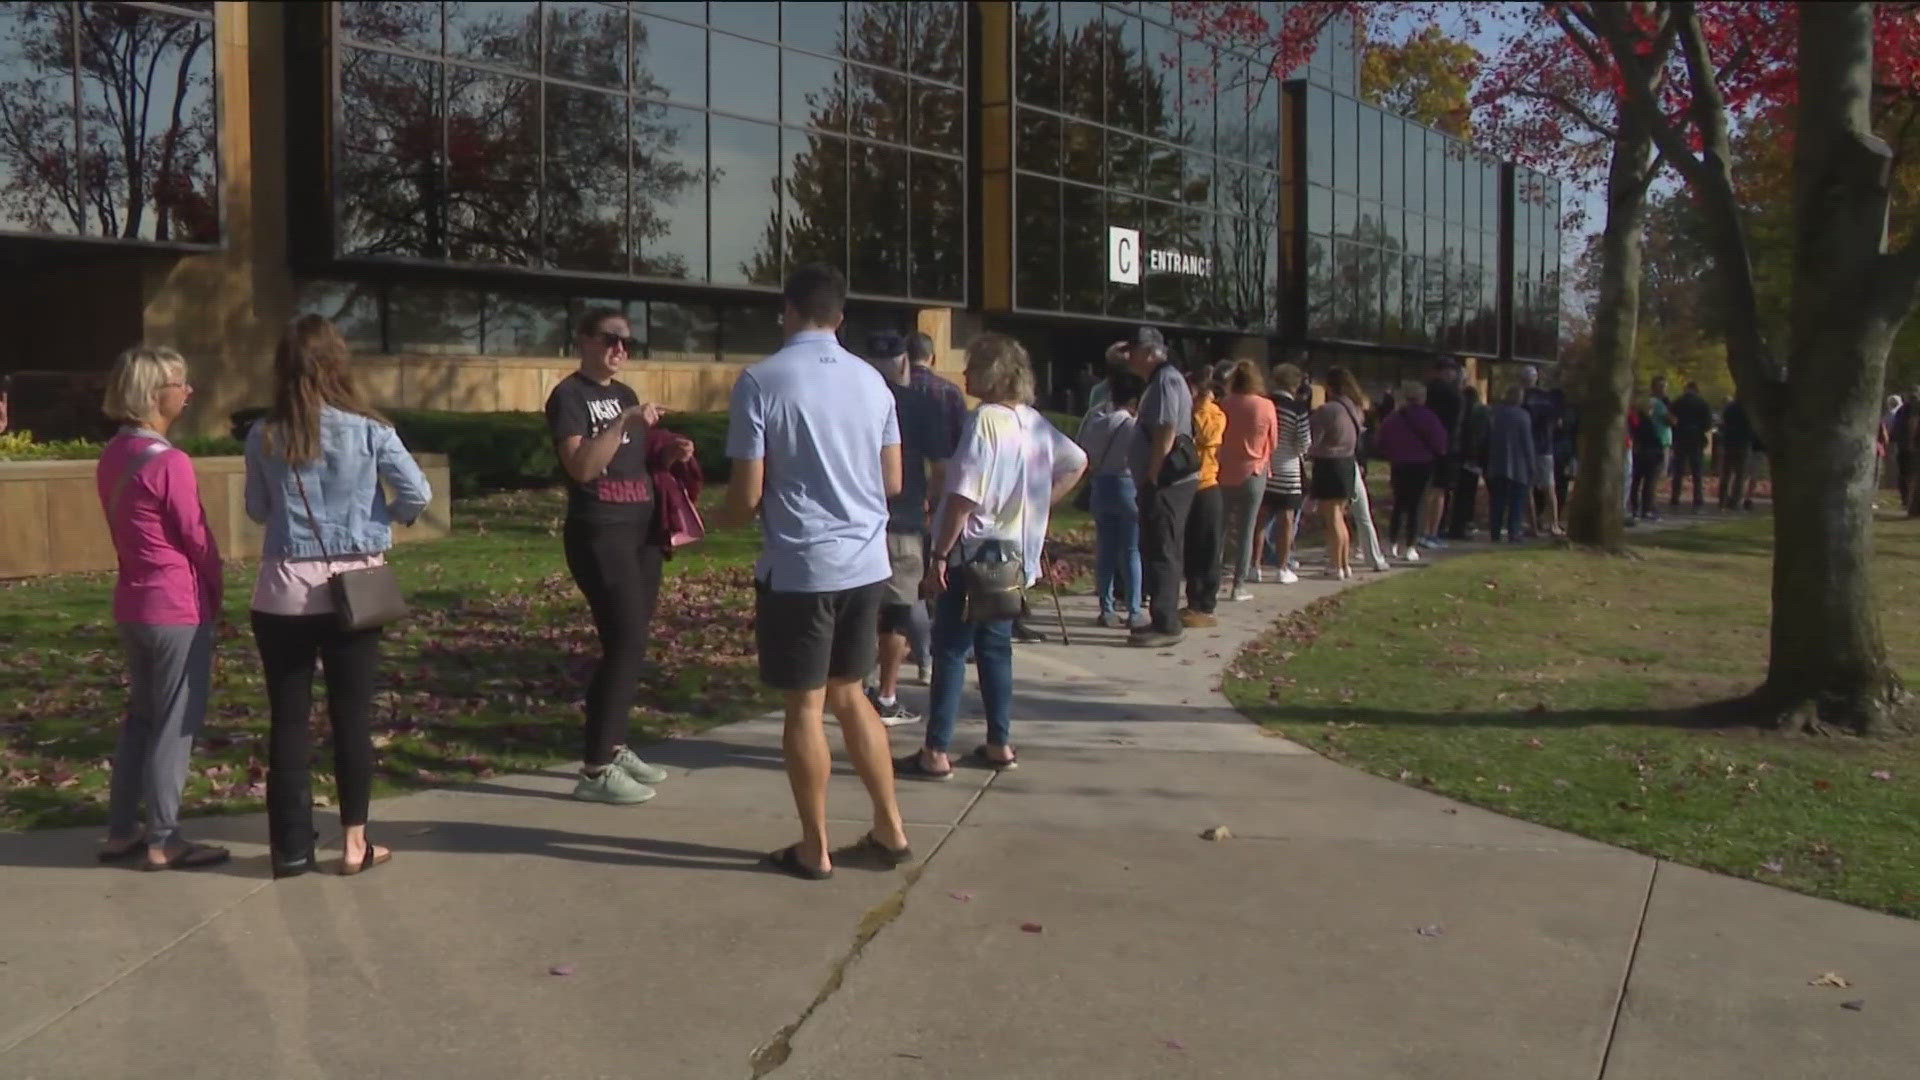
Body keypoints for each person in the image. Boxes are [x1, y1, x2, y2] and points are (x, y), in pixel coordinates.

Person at [722, 264, 912, 881]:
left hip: (803, 563)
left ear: (789, 310)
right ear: (840, 318)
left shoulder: (761, 381)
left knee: (805, 706)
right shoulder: (874, 383)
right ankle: (890, 827)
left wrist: (704, 520)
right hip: (866, 562)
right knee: (851, 695)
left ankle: (815, 846)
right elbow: (893, 482)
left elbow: (746, 495)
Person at [246, 315, 432, 878]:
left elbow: (257, 509)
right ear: (337, 364)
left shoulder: (263, 434)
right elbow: (417, 493)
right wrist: (386, 517)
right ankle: (355, 842)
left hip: (283, 593)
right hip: (356, 590)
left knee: (289, 721)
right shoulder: (371, 430)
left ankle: (292, 849)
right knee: (351, 718)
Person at [898, 335, 1086, 780]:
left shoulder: (985, 421)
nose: (964, 375)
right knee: (996, 649)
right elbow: (1077, 461)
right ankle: (999, 741)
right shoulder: (1034, 423)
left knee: (950, 649)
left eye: (973, 367)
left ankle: (936, 750)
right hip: (1015, 550)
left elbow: (963, 495)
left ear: (993, 373)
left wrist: (939, 556)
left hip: (974, 549)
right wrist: (1037, 503)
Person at [92, 347, 229, 872]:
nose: (188, 390)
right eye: (180, 381)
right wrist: (216, 591)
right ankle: (165, 838)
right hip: (175, 607)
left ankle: (122, 830)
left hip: (133, 603)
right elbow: (197, 538)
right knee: (175, 722)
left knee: (141, 719)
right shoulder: (170, 462)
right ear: (154, 393)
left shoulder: (114, 455)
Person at [544, 307, 679, 804]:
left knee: (634, 641)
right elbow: (582, 467)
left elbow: (631, 458)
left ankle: (615, 744)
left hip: (641, 529)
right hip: (600, 533)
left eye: (628, 343)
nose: (621, 350)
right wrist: (623, 421)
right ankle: (596, 769)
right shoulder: (570, 397)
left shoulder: (624, 394)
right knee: (622, 640)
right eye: (611, 340)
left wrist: (667, 452)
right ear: (583, 340)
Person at [863, 331, 957, 725]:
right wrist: (934, 508)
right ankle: (885, 694)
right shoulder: (921, 404)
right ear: (906, 362)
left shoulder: (858, 402)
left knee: (861, 609)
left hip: (858, 520)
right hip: (903, 520)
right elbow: (940, 467)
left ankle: (854, 687)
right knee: (897, 611)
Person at [1122, 327, 1196, 648]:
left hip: (1167, 481)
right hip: (1162, 481)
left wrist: (1153, 474)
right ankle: (1160, 615)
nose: (1130, 357)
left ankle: (1167, 624)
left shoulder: (1166, 380)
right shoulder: (1157, 381)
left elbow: (1166, 427)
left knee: (1163, 548)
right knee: (1155, 546)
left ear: (1152, 352)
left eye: (1135, 350)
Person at [1078, 371, 1145, 629]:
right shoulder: (1132, 424)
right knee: (1131, 550)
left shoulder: (1096, 418)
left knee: (1105, 550)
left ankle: (1105, 607)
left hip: (1101, 483)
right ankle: (1134, 608)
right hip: (1127, 483)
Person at [1217, 359, 1277, 601]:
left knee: (1219, 528)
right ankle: (1238, 585)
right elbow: (1272, 441)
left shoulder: (1224, 404)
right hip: (1253, 470)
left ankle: (1212, 578)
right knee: (1246, 529)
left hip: (1224, 470)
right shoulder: (1265, 406)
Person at [1373, 380, 1448, 561]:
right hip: (1422, 464)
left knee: (1399, 504)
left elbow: (1381, 441)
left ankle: (1392, 543)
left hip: (1399, 464)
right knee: (1417, 505)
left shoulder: (1394, 418)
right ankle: (1410, 546)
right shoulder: (1429, 417)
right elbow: (1440, 442)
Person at [1255, 362, 1312, 585]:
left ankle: (1254, 565)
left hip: (1265, 465)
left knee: (1261, 518)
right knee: (1286, 519)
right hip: (1288, 468)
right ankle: (1282, 566)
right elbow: (1304, 442)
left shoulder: (1265, 404)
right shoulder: (1297, 409)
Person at [1309, 368, 1368, 580]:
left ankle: (1336, 564)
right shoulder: (1355, 408)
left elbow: (1314, 439)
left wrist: (1310, 453)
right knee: (1340, 515)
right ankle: (1343, 563)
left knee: (1331, 516)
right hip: (1347, 463)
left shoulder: (1328, 410)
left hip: (1329, 464)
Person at [1181, 367, 1227, 627]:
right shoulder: (1183, 411)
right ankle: (1192, 600)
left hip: (1207, 484)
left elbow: (1207, 436)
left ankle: (1205, 603)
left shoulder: (1216, 414)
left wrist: (1200, 405)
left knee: (1208, 547)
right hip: (1184, 485)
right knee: (1190, 546)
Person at [1421, 359, 1466, 548]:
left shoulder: (1426, 392)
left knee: (1426, 490)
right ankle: (1432, 532)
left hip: (1422, 445)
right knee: (1439, 490)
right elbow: (1456, 424)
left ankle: (1421, 530)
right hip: (1445, 446)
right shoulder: (1453, 395)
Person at [1486, 384, 1536, 542]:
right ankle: (1513, 533)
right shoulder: (1523, 416)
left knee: (1497, 501)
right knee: (1517, 501)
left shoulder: (1495, 413)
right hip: (1518, 465)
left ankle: (1495, 532)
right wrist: (1532, 466)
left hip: (1496, 464)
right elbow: (1527, 443)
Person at [1519, 365, 1563, 536]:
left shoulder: (1521, 398)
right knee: (1549, 487)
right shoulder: (1548, 398)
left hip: (1527, 448)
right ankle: (1554, 524)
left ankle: (1533, 527)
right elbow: (1558, 423)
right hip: (1546, 447)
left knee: (1528, 488)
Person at [1451, 384, 1492, 539]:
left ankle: (1456, 525)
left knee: (1460, 494)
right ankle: (1462, 526)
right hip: (1473, 458)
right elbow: (1484, 436)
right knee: (1468, 494)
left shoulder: (1460, 413)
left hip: (1459, 457)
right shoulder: (1480, 413)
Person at [1668, 380, 1714, 512]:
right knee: (1697, 471)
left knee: (1678, 470)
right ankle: (1698, 500)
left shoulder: (1678, 402)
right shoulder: (1702, 403)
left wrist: (1676, 430)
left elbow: (1671, 418)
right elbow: (1708, 424)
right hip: (1696, 438)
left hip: (1680, 437)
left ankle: (1675, 498)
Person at [1630, 391, 1669, 520]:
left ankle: (1634, 507)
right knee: (1649, 483)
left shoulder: (1637, 421)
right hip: (1651, 455)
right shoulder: (1647, 423)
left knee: (1636, 482)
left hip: (1639, 454)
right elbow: (1653, 439)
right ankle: (1647, 509)